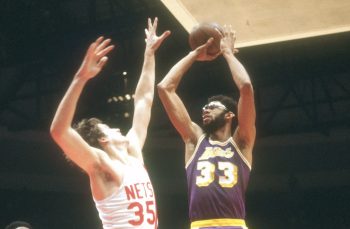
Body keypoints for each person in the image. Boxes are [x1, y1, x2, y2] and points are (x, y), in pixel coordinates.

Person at [50, 18, 170, 229]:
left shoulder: (134, 155)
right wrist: (81, 77)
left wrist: (149, 55)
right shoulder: (102, 166)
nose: (117, 128)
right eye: (110, 128)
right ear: (103, 139)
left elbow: (143, 100)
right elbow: (59, 131)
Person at [157, 25, 255, 229]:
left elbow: (245, 87)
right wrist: (194, 54)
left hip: (234, 224)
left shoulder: (242, 142)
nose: (205, 110)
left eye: (212, 107)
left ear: (229, 115)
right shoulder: (194, 140)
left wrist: (227, 53)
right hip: (201, 225)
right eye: (204, 107)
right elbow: (164, 88)